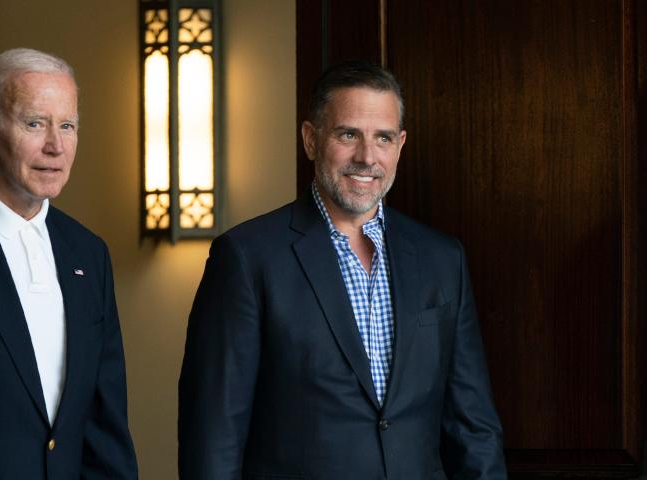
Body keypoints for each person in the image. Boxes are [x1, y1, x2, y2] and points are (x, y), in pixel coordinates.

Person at [178, 60, 506, 479]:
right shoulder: (246, 258)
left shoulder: (442, 259)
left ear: (400, 145)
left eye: (383, 138)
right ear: (311, 140)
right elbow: (213, 436)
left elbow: (473, 425)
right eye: (348, 134)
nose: (366, 157)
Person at [0, 48, 137, 479]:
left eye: (68, 126)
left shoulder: (88, 253)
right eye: (35, 123)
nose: (55, 145)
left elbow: (104, 424)